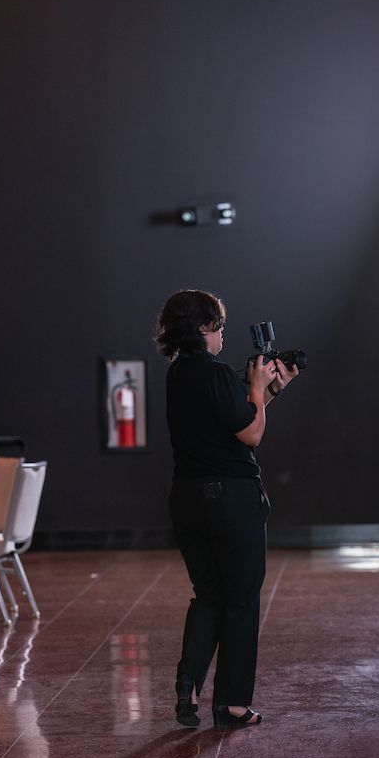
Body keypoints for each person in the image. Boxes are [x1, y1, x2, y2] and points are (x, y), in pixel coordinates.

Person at [155, 289, 298, 729]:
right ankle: (233, 705)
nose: (222, 335)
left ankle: (189, 684)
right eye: (219, 326)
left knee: (210, 596)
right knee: (240, 602)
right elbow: (252, 435)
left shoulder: (179, 373)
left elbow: (239, 420)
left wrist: (267, 390)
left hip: (188, 500)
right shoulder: (215, 371)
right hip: (230, 501)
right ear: (203, 328)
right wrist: (257, 387)